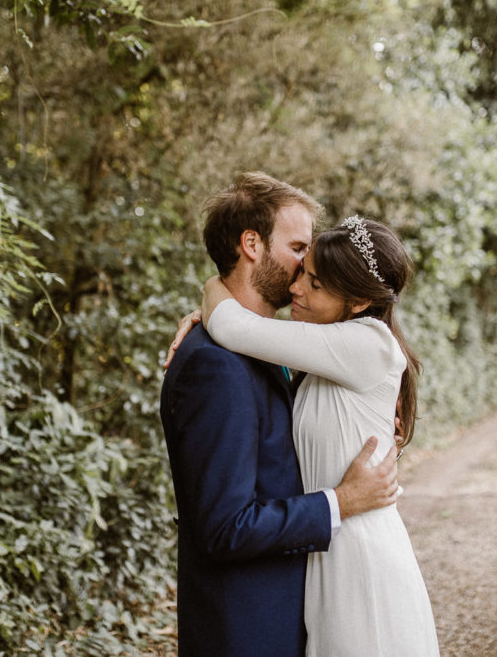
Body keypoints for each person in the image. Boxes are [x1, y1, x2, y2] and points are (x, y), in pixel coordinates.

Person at [159, 173, 401, 657]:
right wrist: (341, 501)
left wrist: (210, 300)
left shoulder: (274, 348)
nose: (305, 266)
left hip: (302, 605)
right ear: (251, 244)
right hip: (246, 629)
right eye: (297, 248)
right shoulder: (215, 364)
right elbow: (225, 525)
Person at [196, 215, 439, 657]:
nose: (296, 289)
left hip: (361, 557)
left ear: (361, 300)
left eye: (317, 285)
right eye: (303, 273)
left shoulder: (367, 344)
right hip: (325, 546)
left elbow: (233, 328)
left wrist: (214, 287)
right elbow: (242, 335)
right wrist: (204, 317)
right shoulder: (324, 352)